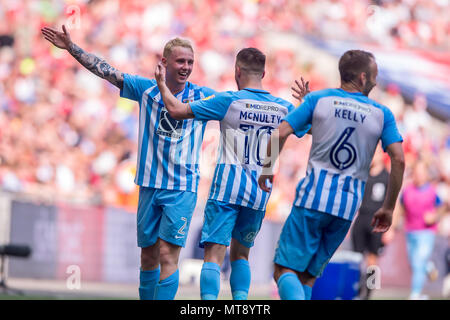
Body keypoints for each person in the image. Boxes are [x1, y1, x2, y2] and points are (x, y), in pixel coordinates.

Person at [41, 25, 215, 300]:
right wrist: (72, 48)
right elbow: (106, 71)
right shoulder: (145, 89)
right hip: (148, 185)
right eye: (181, 61)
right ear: (164, 62)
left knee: (168, 254)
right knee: (148, 255)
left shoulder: (205, 96)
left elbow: (237, 107)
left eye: (190, 62)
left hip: (182, 188)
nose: (186, 67)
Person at [155, 47, 309, 300]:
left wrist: (162, 84)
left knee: (214, 255)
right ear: (264, 73)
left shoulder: (228, 101)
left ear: (237, 71)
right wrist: (306, 104)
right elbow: (315, 127)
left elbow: (176, 110)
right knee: (241, 254)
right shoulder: (283, 108)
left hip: (227, 188)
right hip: (259, 192)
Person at [258, 49, 405, 300]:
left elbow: (280, 132)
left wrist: (268, 169)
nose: (376, 81)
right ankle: (369, 291)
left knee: (284, 269)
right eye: (373, 76)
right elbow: (399, 159)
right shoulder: (382, 114)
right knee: (309, 276)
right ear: (361, 78)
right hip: (348, 211)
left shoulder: (320, 100)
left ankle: (369, 288)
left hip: (313, 200)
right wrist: (389, 208)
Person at [394, 161, 444, 300]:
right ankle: (429, 267)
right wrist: (395, 223)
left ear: (426, 175)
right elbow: (401, 208)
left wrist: (435, 216)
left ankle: (416, 294)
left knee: (418, 261)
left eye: (422, 173)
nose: (419, 175)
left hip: (427, 232)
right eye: (417, 172)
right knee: (414, 262)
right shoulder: (408, 190)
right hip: (410, 231)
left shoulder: (432, 191)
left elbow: (442, 207)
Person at [351, 144, 389, 299]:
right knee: (357, 257)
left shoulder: (387, 177)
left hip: (377, 220)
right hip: (362, 217)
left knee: (373, 258)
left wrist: (390, 228)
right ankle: (356, 288)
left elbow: (393, 202)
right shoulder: (363, 174)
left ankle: (370, 292)